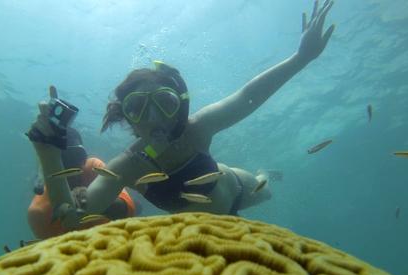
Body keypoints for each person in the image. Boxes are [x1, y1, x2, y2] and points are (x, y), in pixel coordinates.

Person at [27, 0, 335, 229]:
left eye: (164, 102)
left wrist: (300, 58)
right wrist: (48, 151)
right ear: (127, 118)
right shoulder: (127, 167)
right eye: (137, 108)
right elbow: (73, 217)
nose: (154, 117)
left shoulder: (198, 128)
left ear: (180, 106)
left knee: (263, 189)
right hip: (206, 227)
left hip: (237, 188)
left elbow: (247, 97)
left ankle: (264, 173)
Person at [27, 127, 137, 238]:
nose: (73, 164)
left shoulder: (93, 168)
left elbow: (127, 210)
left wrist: (90, 201)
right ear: (51, 164)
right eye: (64, 158)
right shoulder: (39, 212)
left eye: (77, 155)